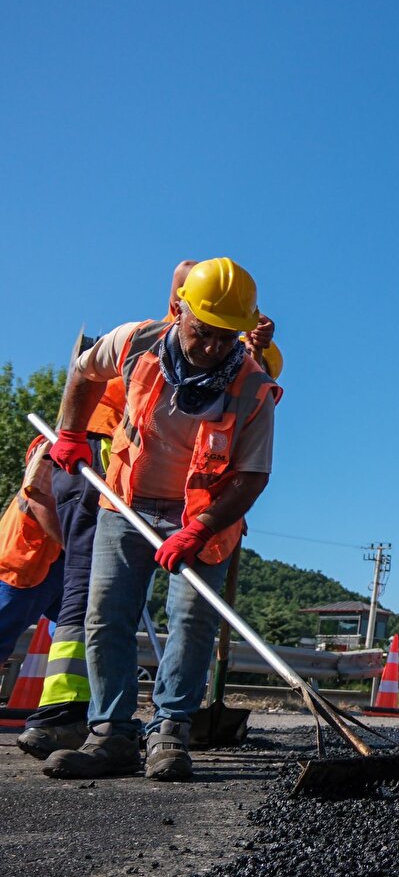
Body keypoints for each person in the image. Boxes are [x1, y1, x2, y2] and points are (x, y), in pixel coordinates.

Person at [16, 261, 280, 760]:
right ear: (179, 311)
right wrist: (70, 432)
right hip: (125, 503)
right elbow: (84, 370)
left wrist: (198, 529)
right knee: (106, 613)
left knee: (191, 620)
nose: (212, 349)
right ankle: (112, 733)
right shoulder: (137, 342)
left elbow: (252, 477)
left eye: (226, 339)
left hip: (202, 518)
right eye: (203, 334)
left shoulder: (253, 387)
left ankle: (170, 732)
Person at [0, 441, 64, 666]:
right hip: (25, 560)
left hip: (59, 563)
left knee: (73, 637)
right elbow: (39, 501)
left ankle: (68, 699)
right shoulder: (55, 443)